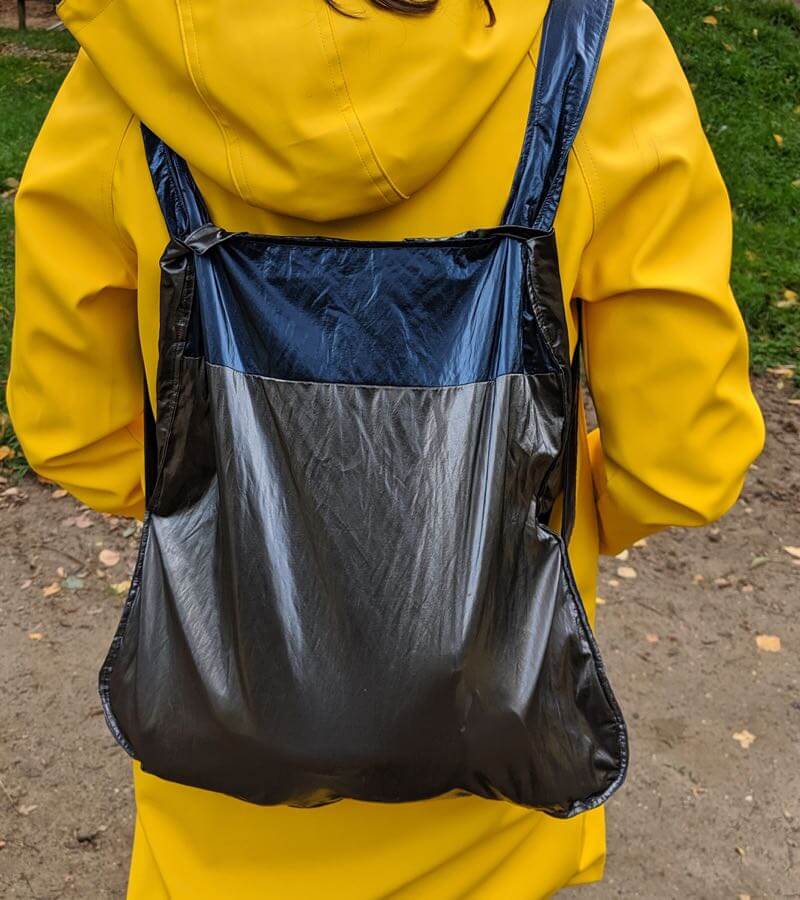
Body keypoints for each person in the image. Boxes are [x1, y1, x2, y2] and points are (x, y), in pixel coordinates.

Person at [8, 0, 764, 895]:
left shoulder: (134, 66)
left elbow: (74, 434)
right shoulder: (593, 52)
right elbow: (683, 465)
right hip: (490, 770)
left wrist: (245, 516)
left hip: (222, 788)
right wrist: (509, 521)